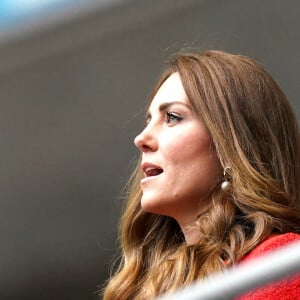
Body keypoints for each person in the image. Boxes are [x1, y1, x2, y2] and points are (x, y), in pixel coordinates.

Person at [103, 50, 300, 299]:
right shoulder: (143, 286)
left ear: (230, 145)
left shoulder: (277, 263)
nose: (141, 138)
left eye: (172, 117)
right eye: (149, 120)